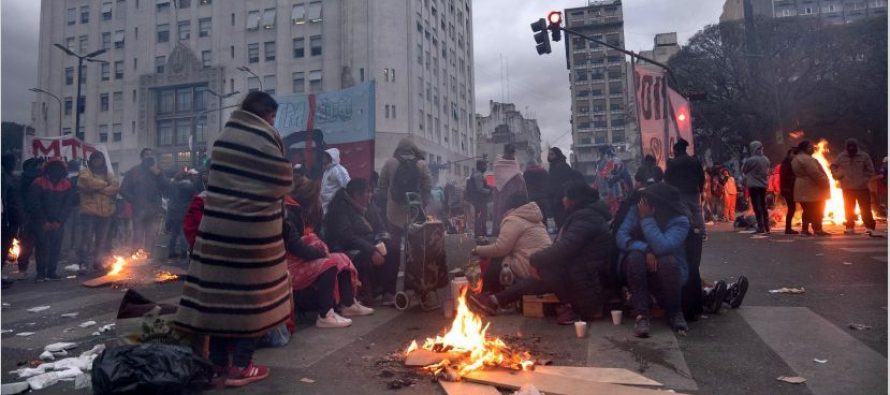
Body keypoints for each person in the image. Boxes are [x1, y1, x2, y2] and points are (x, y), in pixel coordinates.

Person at [175, 91, 293, 387]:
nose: (272, 122)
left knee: (220, 300)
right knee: (252, 301)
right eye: (272, 116)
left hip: (217, 233)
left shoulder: (224, 137)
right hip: (251, 236)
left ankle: (217, 365)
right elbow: (281, 181)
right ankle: (242, 367)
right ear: (264, 114)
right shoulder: (264, 137)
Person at [473, 182, 613, 323]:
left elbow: (564, 248)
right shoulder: (584, 217)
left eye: (566, 197)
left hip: (590, 286)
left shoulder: (586, 219)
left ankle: (571, 308)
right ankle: (495, 300)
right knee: (543, 272)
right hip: (583, 277)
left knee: (544, 269)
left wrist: (536, 259)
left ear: (574, 200)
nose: (563, 200)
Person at [285, 195, 373, 328]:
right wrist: (320, 253)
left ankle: (348, 304)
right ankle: (325, 315)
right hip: (291, 264)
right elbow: (298, 247)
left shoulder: (296, 212)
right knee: (329, 265)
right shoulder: (288, 214)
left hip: (303, 258)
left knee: (341, 258)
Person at [616, 182, 691, 337]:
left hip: (669, 271)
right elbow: (621, 236)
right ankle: (641, 315)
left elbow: (663, 246)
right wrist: (645, 249)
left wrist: (647, 220)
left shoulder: (680, 220)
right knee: (635, 257)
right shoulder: (637, 210)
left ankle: (675, 312)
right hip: (638, 267)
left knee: (667, 260)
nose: (645, 203)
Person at [376, 138, 432, 305]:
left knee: (392, 251)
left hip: (393, 214)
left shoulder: (390, 162)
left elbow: (381, 186)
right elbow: (428, 187)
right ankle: (417, 290)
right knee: (414, 252)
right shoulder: (421, 164)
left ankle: (389, 293)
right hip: (414, 213)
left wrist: (390, 202)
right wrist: (421, 204)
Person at [469, 193, 552, 299]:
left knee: (498, 258)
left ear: (510, 208)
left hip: (530, 267)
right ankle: (491, 293)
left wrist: (477, 250)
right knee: (506, 256)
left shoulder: (513, 219)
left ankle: (484, 293)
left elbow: (500, 248)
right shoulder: (536, 219)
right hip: (546, 267)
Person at [324, 178, 387, 303]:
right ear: (356, 195)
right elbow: (347, 237)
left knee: (392, 246)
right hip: (342, 248)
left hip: (362, 242)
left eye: (370, 191)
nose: (370, 195)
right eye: (367, 192)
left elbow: (380, 227)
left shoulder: (369, 206)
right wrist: (371, 249)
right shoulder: (340, 208)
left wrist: (382, 238)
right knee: (365, 255)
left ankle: (387, 292)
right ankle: (362, 295)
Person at [664, 138, 705, 321]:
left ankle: (689, 231)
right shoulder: (694, 161)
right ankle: (699, 231)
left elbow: (667, 179)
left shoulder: (673, 163)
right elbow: (701, 177)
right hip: (693, 192)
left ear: (675, 150)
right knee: (696, 213)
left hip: (679, 194)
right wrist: (699, 189)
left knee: (684, 216)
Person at [27, 158, 75, 282]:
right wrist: (44, 221)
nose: (56, 170)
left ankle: (51, 271)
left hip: (58, 222)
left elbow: (68, 205)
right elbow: (34, 203)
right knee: (41, 247)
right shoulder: (38, 182)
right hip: (41, 222)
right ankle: (41, 273)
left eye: (58, 168)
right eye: (53, 168)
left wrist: (59, 221)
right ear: (47, 169)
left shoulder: (67, 184)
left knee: (55, 247)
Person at [120, 148, 168, 256]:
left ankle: (149, 259)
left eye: (151, 154)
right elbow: (123, 189)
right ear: (142, 157)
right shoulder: (134, 171)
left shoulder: (157, 171)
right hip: (139, 210)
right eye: (147, 154)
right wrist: (134, 200)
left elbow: (166, 187)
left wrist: (159, 175)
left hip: (154, 209)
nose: (149, 156)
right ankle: (136, 258)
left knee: (151, 236)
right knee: (138, 235)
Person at [77, 152, 119, 272]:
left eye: (99, 159)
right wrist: (105, 186)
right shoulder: (85, 172)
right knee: (87, 238)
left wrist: (98, 189)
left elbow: (115, 186)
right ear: (91, 160)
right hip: (89, 212)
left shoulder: (109, 174)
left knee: (101, 240)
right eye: (94, 159)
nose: (97, 161)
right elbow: (87, 182)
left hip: (106, 213)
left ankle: (98, 262)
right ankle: (83, 263)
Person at [831, 139, 879, 236]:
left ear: (856, 147)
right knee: (848, 209)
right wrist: (837, 175)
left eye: (853, 146)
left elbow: (870, 170)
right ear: (846, 147)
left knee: (865, 209)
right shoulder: (841, 156)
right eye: (849, 146)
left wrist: (864, 179)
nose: (851, 148)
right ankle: (849, 227)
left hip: (862, 188)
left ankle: (869, 227)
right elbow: (833, 166)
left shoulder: (864, 156)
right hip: (847, 188)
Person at [791, 140, 830, 236]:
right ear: (806, 148)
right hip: (812, 188)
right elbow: (815, 173)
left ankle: (805, 230)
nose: (813, 148)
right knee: (817, 209)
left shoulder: (796, 158)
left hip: (801, 187)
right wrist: (825, 182)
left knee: (807, 210)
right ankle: (817, 229)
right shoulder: (807, 159)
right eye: (810, 147)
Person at [492, 144, 528, 235]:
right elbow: (496, 179)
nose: (511, 156)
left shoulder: (514, 161)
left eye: (512, 153)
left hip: (514, 194)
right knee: (504, 215)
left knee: (512, 216)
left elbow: (518, 175)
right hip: (503, 193)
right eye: (510, 153)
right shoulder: (498, 163)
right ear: (506, 152)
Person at [546, 147, 584, 231]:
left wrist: (558, 196)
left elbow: (564, 183)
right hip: (556, 198)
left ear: (557, 155)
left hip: (562, 199)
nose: (549, 156)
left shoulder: (562, 166)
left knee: (563, 223)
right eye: (549, 154)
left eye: (552, 154)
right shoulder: (553, 166)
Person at [166, 170, 198, 260]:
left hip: (173, 212)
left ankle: (171, 252)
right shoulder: (190, 186)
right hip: (184, 212)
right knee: (183, 233)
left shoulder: (172, 186)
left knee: (173, 233)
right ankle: (183, 252)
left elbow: (169, 197)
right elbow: (193, 198)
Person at [742, 141, 771, 233]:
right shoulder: (766, 159)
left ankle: (760, 227)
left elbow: (744, 170)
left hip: (754, 186)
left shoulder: (751, 160)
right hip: (763, 185)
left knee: (757, 207)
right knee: (763, 206)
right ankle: (767, 226)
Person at [319, 148, 350, 215]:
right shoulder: (327, 171)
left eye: (325, 157)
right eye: (323, 157)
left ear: (331, 158)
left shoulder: (338, 170)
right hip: (325, 206)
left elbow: (347, 186)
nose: (323, 159)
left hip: (334, 207)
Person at [467, 160, 492, 237]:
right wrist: (489, 191)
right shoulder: (478, 175)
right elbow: (480, 189)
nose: (486, 167)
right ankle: (481, 232)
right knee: (482, 216)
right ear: (480, 166)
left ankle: (479, 232)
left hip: (477, 199)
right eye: (485, 165)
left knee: (479, 216)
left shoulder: (475, 174)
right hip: (480, 200)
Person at [779, 149, 798, 234]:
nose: (794, 156)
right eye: (793, 154)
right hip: (788, 189)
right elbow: (785, 177)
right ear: (789, 154)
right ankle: (788, 228)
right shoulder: (787, 164)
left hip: (789, 189)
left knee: (792, 208)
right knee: (791, 208)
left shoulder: (787, 163)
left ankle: (788, 228)